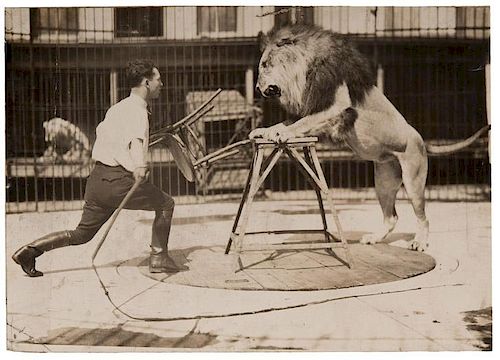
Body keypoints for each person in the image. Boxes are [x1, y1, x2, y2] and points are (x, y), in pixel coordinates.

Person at [12, 59, 179, 277]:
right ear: (147, 82)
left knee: (82, 234)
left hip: (97, 181)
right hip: (118, 182)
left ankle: (30, 251)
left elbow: (109, 139)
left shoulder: (117, 109)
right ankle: (159, 258)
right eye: (158, 79)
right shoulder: (138, 111)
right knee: (166, 203)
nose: (162, 84)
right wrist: (138, 165)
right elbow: (136, 141)